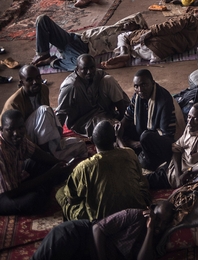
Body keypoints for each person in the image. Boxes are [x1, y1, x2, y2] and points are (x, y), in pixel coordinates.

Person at [57, 120, 150, 221]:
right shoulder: (130, 154)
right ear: (114, 139)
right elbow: (140, 179)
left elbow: (72, 200)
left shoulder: (84, 167)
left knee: (61, 194)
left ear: (92, 141)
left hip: (103, 220)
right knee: (142, 185)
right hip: (135, 210)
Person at [33, 200, 175, 260]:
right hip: (77, 235)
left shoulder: (157, 239)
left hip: (86, 254)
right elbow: (97, 229)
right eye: (158, 219)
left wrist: (150, 230)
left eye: (164, 222)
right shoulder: (135, 215)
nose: (160, 225)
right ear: (151, 211)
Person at [3, 65, 86, 161]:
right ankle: (49, 156)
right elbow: (15, 135)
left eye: (38, 77)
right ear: (22, 83)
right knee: (44, 110)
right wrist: (38, 152)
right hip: (25, 141)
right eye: (29, 80)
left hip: (43, 138)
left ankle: (54, 153)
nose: (35, 82)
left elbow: (47, 122)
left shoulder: (43, 89)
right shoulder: (14, 103)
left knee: (80, 145)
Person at [0, 110, 71, 215]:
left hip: (15, 177)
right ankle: (41, 189)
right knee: (34, 201)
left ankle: (41, 188)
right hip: (4, 193)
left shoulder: (19, 138)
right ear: (1, 130)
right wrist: (49, 174)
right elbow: (11, 192)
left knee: (47, 162)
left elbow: (36, 153)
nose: (16, 133)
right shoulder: (1, 152)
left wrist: (60, 164)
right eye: (10, 129)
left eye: (20, 128)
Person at [117, 70, 178, 171]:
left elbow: (166, 134)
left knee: (145, 138)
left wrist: (137, 143)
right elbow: (128, 117)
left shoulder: (164, 100)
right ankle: (134, 151)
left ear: (153, 83)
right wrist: (118, 128)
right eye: (136, 86)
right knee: (118, 127)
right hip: (143, 134)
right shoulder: (137, 96)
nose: (140, 89)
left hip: (161, 140)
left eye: (144, 85)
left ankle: (139, 154)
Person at [55, 54, 128, 136]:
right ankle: (124, 140)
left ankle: (124, 116)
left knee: (109, 80)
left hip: (100, 109)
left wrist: (126, 112)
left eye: (92, 68)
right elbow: (61, 112)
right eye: (85, 69)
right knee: (109, 127)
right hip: (83, 119)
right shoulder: (71, 86)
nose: (89, 72)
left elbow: (118, 92)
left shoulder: (99, 74)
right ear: (77, 69)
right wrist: (57, 136)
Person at [149, 102, 198, 189]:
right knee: (148, 136)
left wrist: (189, 171)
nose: (189, 122)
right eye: (189, 117)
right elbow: (177, 148)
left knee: (145, 182)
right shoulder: (193, 126)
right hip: (177, 167)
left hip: (183, 173)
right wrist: (178, 175)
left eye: (195, 119)